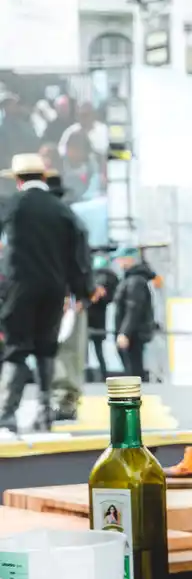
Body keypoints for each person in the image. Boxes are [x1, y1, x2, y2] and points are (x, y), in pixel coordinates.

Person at [0, 154, 93, 433]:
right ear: (43, 177)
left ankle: (7, 413)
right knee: (46, 347)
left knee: (16, 348)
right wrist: (81, 290)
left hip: (19, 287)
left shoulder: (13, 205)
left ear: (18, 180)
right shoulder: (61, 209)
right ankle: (44, 414)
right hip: (54, 288)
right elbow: (78, 252)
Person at [44, 169, 91, 420]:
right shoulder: (69, 219)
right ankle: (63, 400)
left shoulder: (55, 221)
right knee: (68, 349)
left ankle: (61, 400)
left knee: (63, 349)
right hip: (68, 294)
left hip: (61, 295)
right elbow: (81, 261)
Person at [112, 249, 158, 383]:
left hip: (133, 335)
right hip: (132, 334)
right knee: (133, 372)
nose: (118, 262)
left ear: (129, 259)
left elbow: (133, 309)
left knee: (133, 373)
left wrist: (124, 333)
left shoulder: (135, 281)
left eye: (121, 258)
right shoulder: (132, 279)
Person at [88, 251, 119, 379]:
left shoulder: (97, 276)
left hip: (91, 317)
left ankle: (97, 375)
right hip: (98, 318)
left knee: (94, 349)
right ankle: (102, 375)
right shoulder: (110, 277)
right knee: (97, 349)